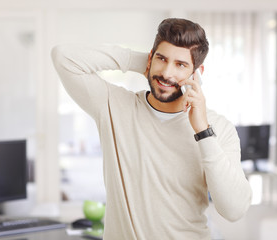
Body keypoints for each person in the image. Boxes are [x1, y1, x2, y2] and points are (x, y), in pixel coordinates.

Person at [52, 18, 252, 240]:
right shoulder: (113, 106)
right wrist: (145, 64)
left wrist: (203, 131)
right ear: (150, 57)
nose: (167, 73)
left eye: (180, 65)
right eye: (162, 59)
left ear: (197, 72)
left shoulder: (219, 129)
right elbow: (63, 57)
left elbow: (234, 210)